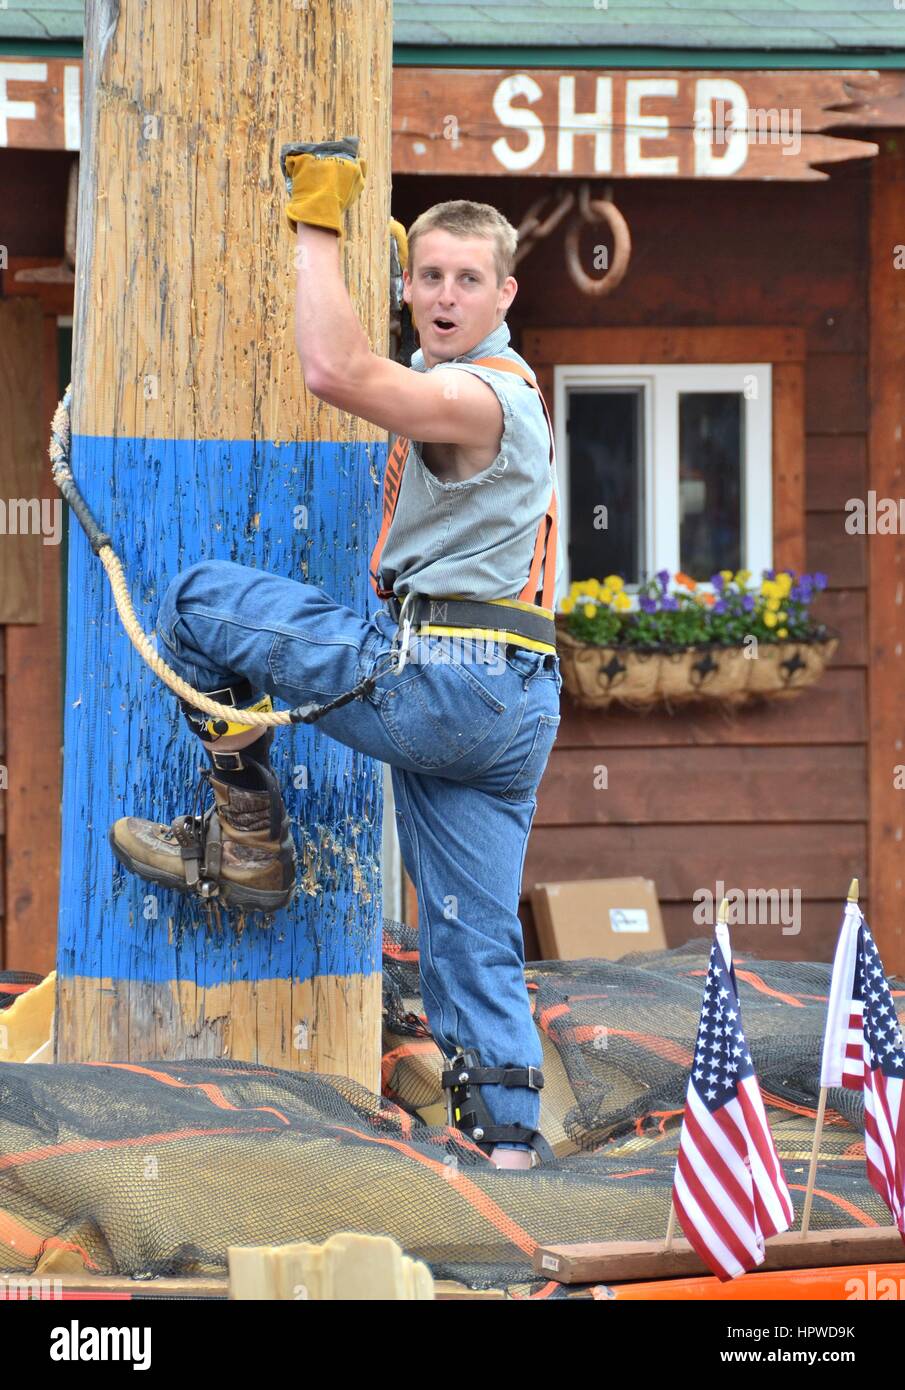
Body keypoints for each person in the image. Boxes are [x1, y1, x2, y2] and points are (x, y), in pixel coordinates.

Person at [110, 140, 563, 1170]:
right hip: (513, 706)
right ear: (408, 286)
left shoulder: (479, 398)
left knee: (196, 602)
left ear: (505, 293)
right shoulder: (468, 382)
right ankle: (507, 1150)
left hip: (441, 678)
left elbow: (334, 370)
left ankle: (251, 838)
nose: (445, 296)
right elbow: (386, 364)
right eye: (429, 277)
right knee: (468, 933)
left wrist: (317, 217)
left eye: (467, 280)